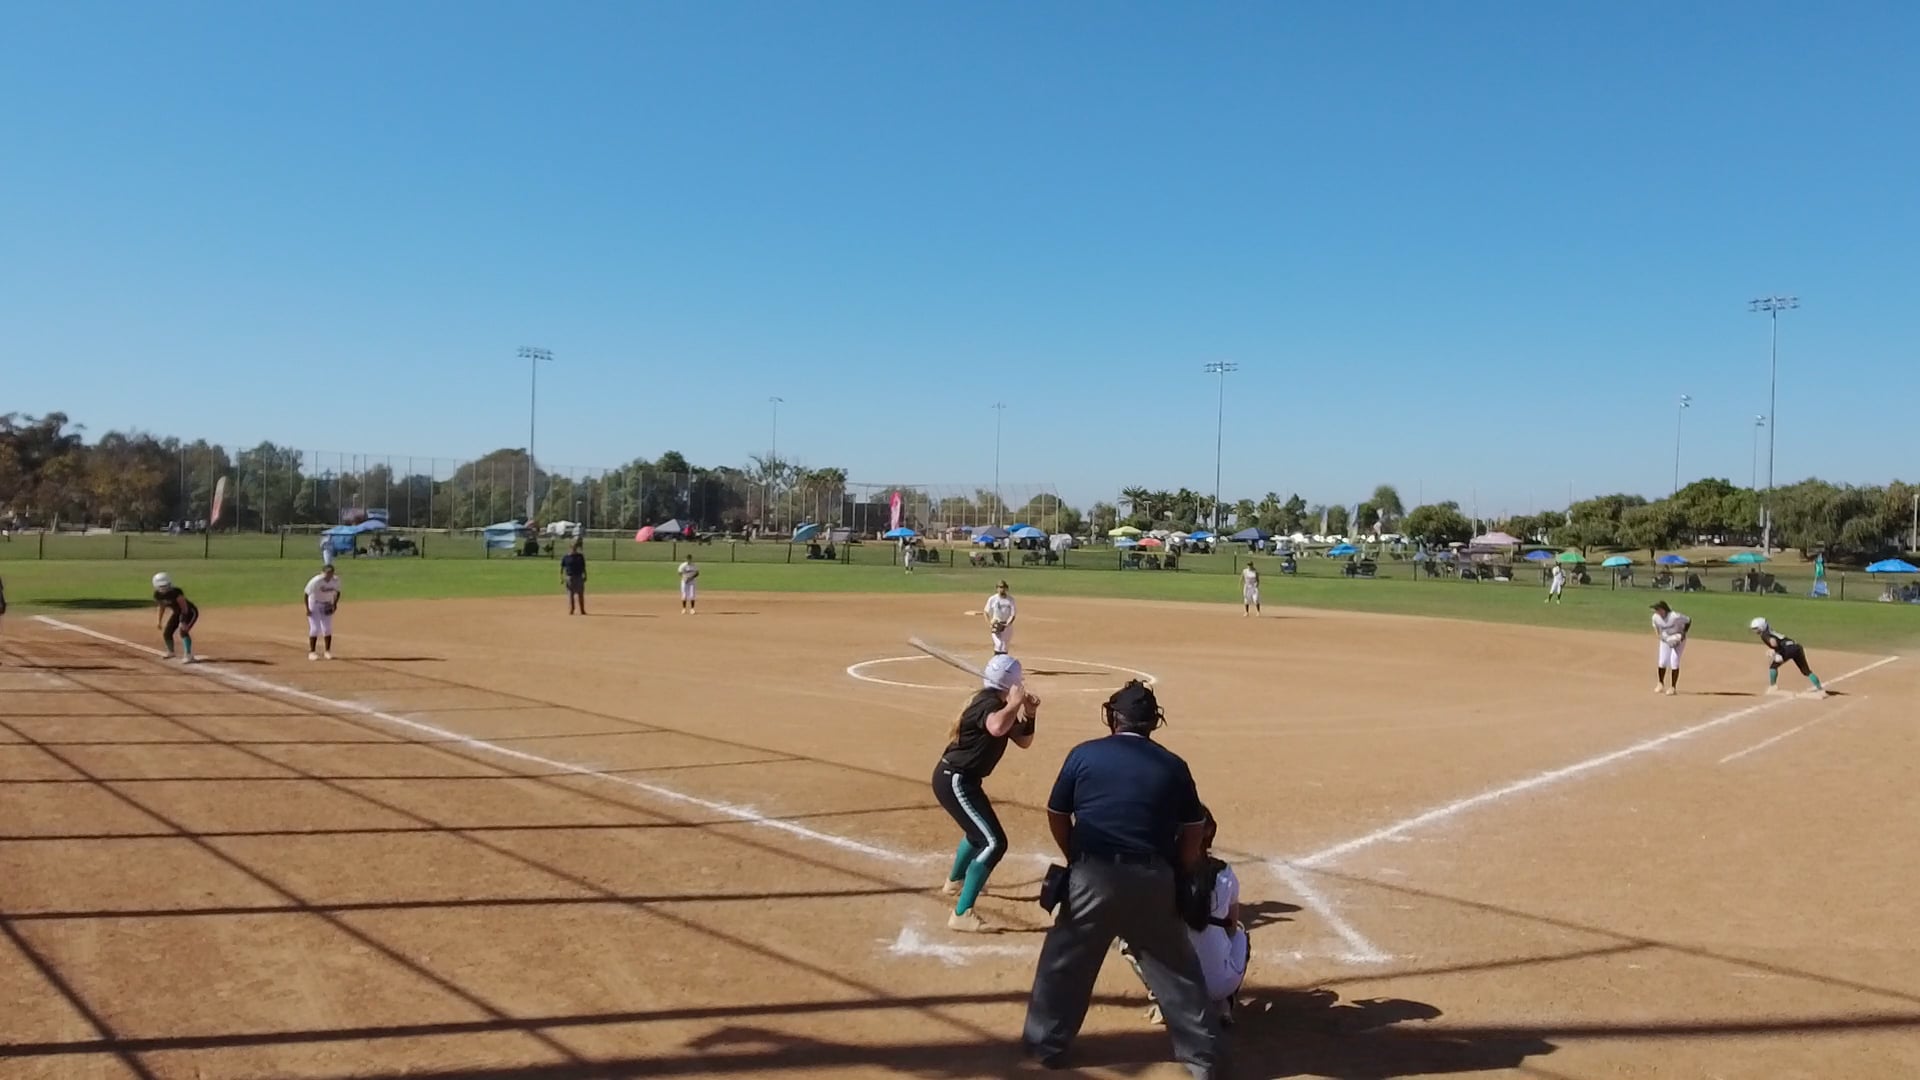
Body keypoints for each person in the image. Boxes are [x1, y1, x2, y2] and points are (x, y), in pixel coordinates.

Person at [1023, 680, 1224, 1078]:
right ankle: (1202, 1061)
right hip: (1152, 877)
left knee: (1064, 964)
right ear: (1152, 722)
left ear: (1114, 718)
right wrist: (1181, 870)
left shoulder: (1083, 754)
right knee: (1177, 971)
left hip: (1092, 875)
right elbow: (1194, 829)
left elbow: (1057, 813)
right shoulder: (1173, 765)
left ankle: (1044, 1049)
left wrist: (1075, 857)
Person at [934, 653, 1038, 933]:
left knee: (976, 834)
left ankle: (955, 882)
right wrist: (1014, 703)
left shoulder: (998, 704)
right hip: (956, 780)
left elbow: (1023, 741)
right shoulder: (988, 704)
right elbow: (996, 727)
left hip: (962, 780)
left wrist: (1029, 713)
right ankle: (962, 913)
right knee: (994, 843)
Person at [1121, 806, 1249, 1027]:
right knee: (1240, 933)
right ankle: (1223, 1004)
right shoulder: (1225, 874)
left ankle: (1164, 1000)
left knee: (1129, 940)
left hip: (1176, 987)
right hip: (1219, 986)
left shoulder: (1159, 875)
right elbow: (1230, 929)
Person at [1751, 617, 1826, 696]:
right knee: (1806, 671)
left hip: (1786, 649)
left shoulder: (1765, 635)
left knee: (1773, 666)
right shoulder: (1771, 632)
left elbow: (1774, 642)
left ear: (1762, 627)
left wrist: (1776, 651)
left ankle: (1773, 687)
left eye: (1756, 628)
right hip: (1796, 647)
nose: (1755, 631)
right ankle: (1820, 689)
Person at [152, 572, 200, 663]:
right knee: (167, 632)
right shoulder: (157, 595)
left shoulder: (176, 592)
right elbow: (161, 607)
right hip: (177, 612)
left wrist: (183, 621)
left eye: (165, 585)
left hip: (190, 612)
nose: (164, 588)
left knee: (183, 631)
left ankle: (188, 655)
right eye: (161, 586)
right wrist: (159, 621)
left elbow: (184, 608)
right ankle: (171, 652)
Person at [1650, 600, 1689, 696]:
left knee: (1674, 661)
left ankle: (1673, 688)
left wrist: (1683, 633)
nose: (1656, 611)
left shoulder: (1674, 616)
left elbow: (1688, 620)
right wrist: (1659, 636)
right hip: (1666, 639)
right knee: (1662, 662)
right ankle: (1660, 683)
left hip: (1678, 640)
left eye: (1657, 609)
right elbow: (1656, 627)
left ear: (1663, 609)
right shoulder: (1655, 617)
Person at [303, 564, 342, 660]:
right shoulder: (316, 581)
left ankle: (327, 651)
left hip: (327, 604)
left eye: (331, 573)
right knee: (315, 628)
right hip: (314, 603)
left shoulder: (336, 581)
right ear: (322, 573)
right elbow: (306, 594)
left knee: (327, 628)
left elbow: (338, 592)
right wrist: (307, 609)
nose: (329, 575)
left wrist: (334, 604)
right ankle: (312, 652)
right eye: (327, 573)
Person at [984, 580, 1017, 654]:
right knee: (999, 645)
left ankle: (1002, 660)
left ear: (1006, 588)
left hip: (1007, 626)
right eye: (1000, 587)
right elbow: (986, 612)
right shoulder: (992, 599)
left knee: (1004, 647)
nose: (1001, 589)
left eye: (1003, 587)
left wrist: (1008, 624)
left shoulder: (1011, 600)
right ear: (997, 588)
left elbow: (1013, 614)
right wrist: (990, 624)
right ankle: (996, 660)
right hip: (996, 625)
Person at [561, 541, 588, 615]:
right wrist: (561, 577)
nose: (574, 549)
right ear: (570, 548)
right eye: (573, 547)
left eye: (575, 547)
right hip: (570, 577)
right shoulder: (566, 557)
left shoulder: (580, 556)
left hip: (579, 576)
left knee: (580, 593)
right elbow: (562, 568)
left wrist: (585, 575)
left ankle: (582, 610)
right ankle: (572, 609)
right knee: (570, 594)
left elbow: (583, 567)